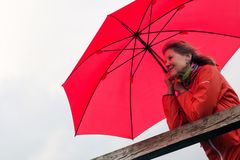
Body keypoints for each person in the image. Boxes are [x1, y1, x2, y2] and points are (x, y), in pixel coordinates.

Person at [162, 40, 240, 160]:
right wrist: (170, 92)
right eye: (165, 61)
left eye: (170, 58)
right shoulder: (184, 88)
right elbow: (176, 129)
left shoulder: (207, 71)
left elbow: (200, 114)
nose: (166, 64)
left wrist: (182, 91)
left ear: (188, 57)